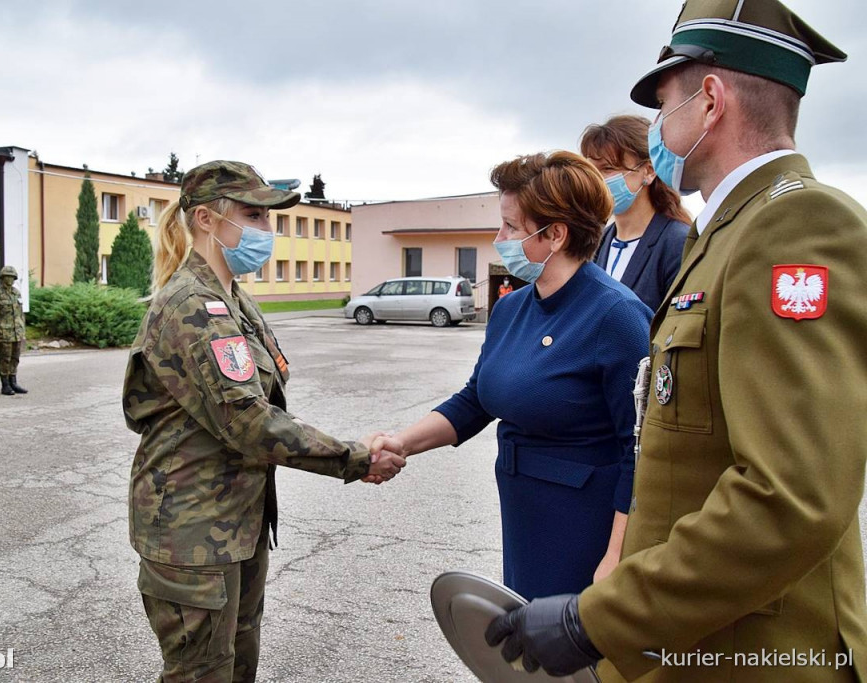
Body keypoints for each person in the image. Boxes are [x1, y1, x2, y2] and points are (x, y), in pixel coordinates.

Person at [484, 2, 867, 681]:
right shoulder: (719, 237)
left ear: (711, 100)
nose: (659, 125)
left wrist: (595, 619)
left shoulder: (796, 225)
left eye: (664, 103)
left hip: (758, 656)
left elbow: (789, 497)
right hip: (695, 644)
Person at [122, 160, 406, 683]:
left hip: (233, 522)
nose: (265, 230)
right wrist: (355, 457)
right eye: (253, 215)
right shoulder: (193, 306)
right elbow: (250, 422)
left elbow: (261, 402)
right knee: (203, 672)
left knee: (237, 661)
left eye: (267, 217)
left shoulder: (233, 299)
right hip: (193, 531)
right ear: (206, 219)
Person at [368, 152, 652, 600]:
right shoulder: (512, 308)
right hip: (525, 511)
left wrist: (618, 556)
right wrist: (401, 443)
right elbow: (476, 400)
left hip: (584, 525)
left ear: (555, 234)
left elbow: (640, 452)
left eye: (511, 227)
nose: (499, 239)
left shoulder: (617, 317)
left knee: (572, 657)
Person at [581, 115, 690, 312]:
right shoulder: (599, 242)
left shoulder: (678, 242)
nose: (596, 180)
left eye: (608, 169)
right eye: (591, 170)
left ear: (648, 171)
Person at [0, 266, 28, 395]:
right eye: (8, 277)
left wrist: (23, 330)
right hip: (4, 332)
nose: (10, 280)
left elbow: (20, 313)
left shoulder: (16, 293)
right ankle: (5, 384)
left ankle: (13, 381)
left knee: (15, 358)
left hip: (17, 331)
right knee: (5, 358)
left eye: (12, 277)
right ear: (3, 278)